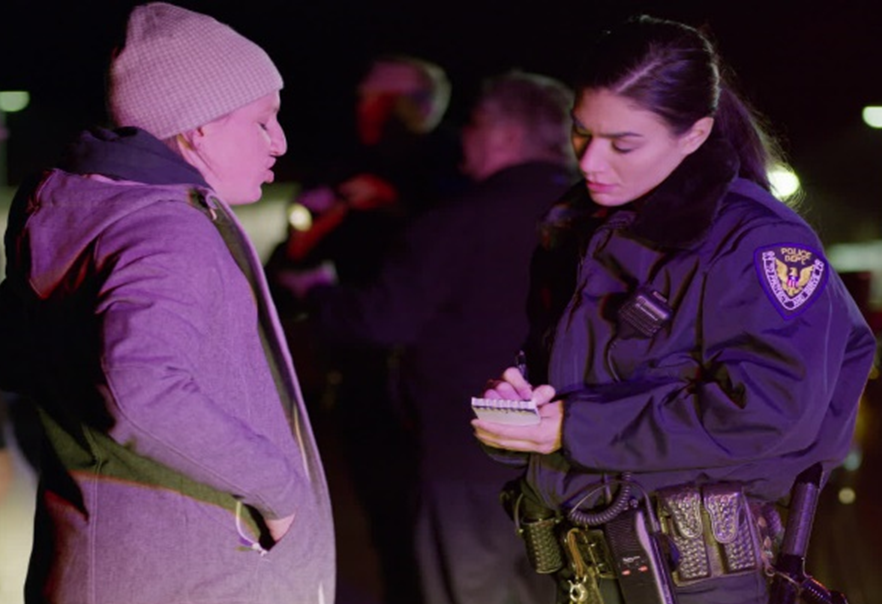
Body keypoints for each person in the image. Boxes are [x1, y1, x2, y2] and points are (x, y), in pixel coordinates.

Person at [472, 15, 877, 604]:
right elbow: (579, 392)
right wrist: (523, 416)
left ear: (694, 134)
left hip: (702, 582)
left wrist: (576, 426)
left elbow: (769, 410)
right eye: (581, 132)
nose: (590, 162)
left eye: (624, 143)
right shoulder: (585, 229)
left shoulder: (758, 244)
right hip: (583, 576)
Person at [0, 4, 334, 603]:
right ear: (198, 127)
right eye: (262, 121)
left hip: (109, 563)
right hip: (189, 579)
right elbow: (140, 387)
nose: (280, 142)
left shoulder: (86, 212)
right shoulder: (165, 228)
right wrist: (280, 492)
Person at [294, 70, 576, 604]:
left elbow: (383, 319)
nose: (461, 138)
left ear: (503, 134)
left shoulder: (462, 219)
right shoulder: (595, 219)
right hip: (573, 459)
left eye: (471, 124)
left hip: (469, 458)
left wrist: (317, 295)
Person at [264, 54, 464, 604]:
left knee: (443, 519)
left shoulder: (453, 166)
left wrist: (392, 203)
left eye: (374, 97)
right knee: (384, 515)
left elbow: (452, 254)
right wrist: (314, 229)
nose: (363, 108)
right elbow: (289, 263)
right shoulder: (344, 165)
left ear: (407, 104)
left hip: (434, 377)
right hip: (359, 372)